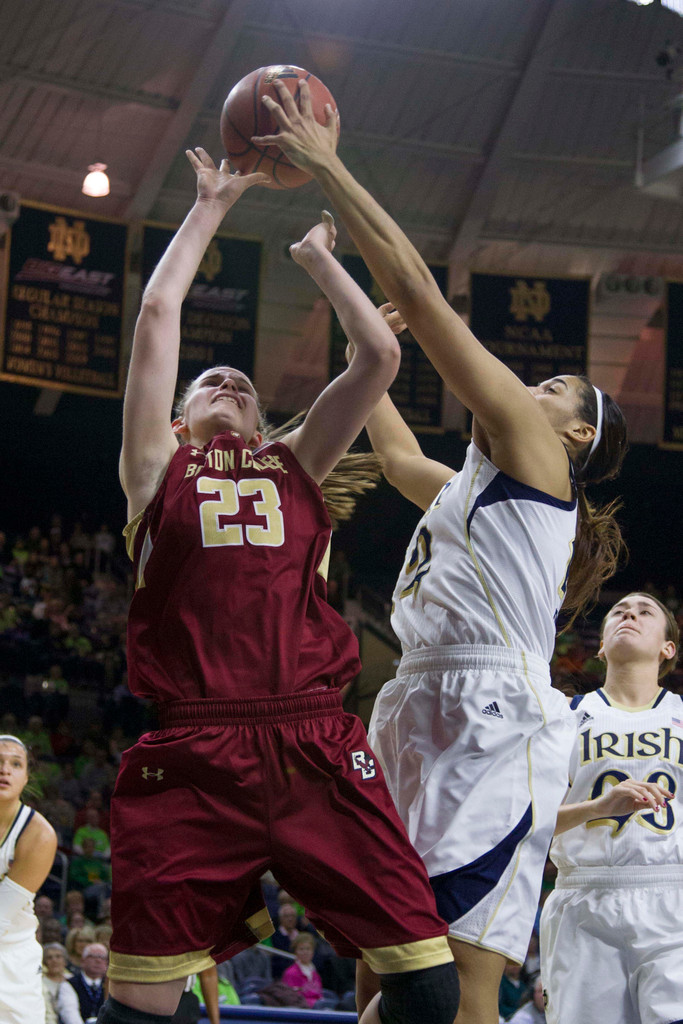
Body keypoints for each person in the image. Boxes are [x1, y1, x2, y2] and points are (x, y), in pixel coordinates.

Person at [253, 80, 628, 1024]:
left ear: (577, 435)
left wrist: (329, 166)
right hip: (413, 699)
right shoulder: (469, 487)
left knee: (458, 989)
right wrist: (341, 294)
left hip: (493, 714)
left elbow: (420, 296)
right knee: (384, 973)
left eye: (554, 386)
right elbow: (390, 452)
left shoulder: (538, 457)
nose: (533, 388)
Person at [96, 148, 458, 1024]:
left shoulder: (293, 466)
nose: (228, 383)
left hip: (313, 742)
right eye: (209, 383)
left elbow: (376, 356)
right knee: (138, 1006)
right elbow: (156, 312)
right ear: (177, 419)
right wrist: (210, 205)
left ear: (264, 425)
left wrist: (318, 259)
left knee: (428, 987)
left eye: (244, 387)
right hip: (193, 748)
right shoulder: (155, 470)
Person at [540, 592, 682, 1024]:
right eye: (619, 611)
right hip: (585, 897)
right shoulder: (564, 717)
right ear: (601, 646)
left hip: (672, 894)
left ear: (668, 648)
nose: (629, 614)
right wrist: (597, 807)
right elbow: (528, 824)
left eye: (645, 612)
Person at [0, 734, 58, 1024]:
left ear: (26, 777)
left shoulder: (38, 834)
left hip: (12, 959)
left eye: (15, 764)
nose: (4, 770)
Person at [42, 941, 82, 1024]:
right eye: (49, 957)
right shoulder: (41, 982)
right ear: (45, 962)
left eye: (58, 956)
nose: (54, 960)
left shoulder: (73, 980)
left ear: (65, 961)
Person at [281, 932, 324, 1008]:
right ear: (295, 951)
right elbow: (292, 998)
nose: (305, 952)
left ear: (313, 952)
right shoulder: (291, 973)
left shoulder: (315, 974)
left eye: (308, 949)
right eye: (301, 949)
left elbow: (319, 994)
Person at [68, 942, 108, 1021]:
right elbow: (70, 1013)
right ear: (82, 961)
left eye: (102, 957)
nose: (98, 960)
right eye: (93, 956)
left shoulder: (111, 985)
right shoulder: (70, 984)